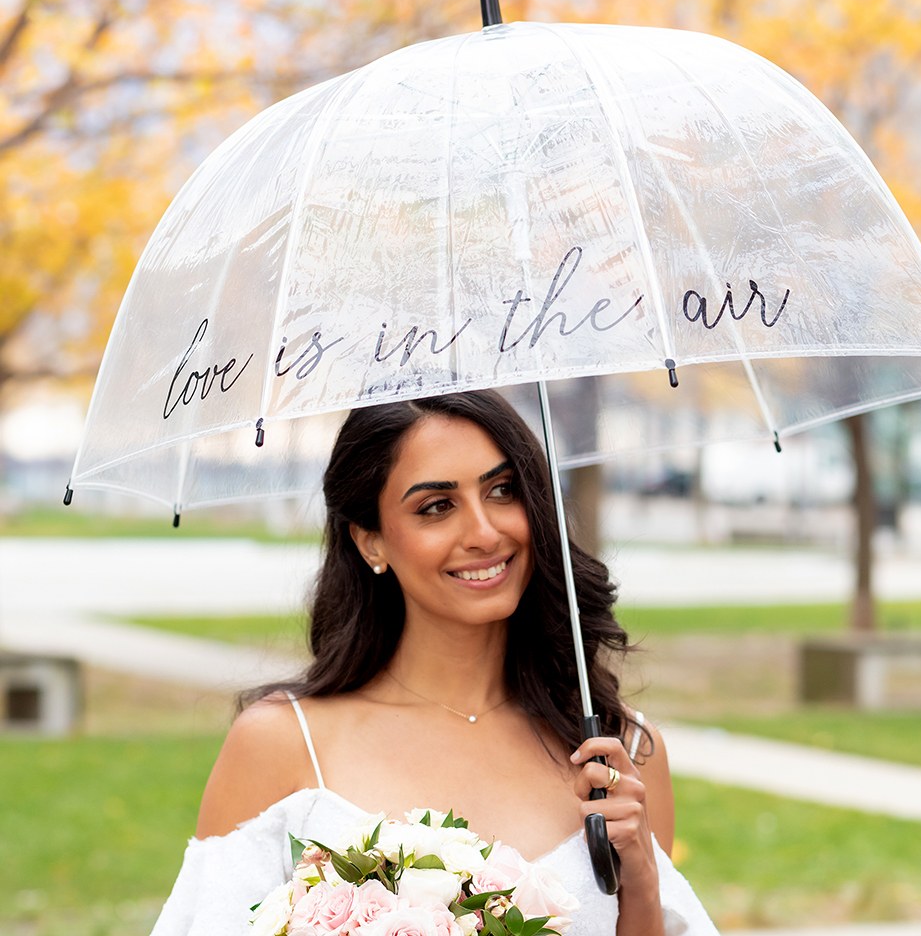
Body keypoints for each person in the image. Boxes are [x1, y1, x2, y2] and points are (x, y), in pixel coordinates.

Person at [150, 390, 719, 936]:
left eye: (502, 491)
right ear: (370, 542)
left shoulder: (622, 752)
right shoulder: (281, 745)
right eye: (437, 507)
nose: (484, 531)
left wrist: (641, 875)